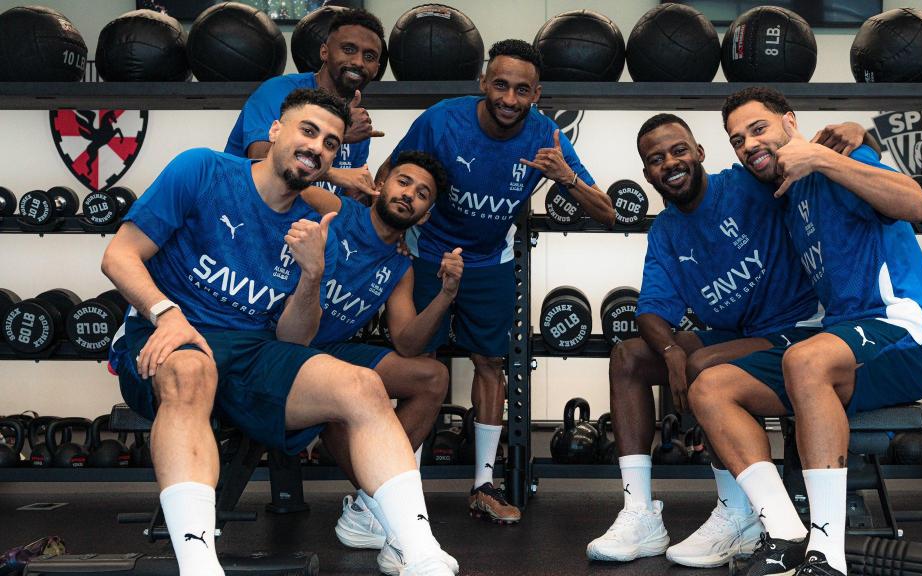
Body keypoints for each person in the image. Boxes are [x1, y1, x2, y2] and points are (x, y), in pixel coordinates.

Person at [103, 88, 456, 576]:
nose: (317, 148)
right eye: (308, 131)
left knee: (362, 385)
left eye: (330, 143)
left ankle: (420, 552)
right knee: (191, 371)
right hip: (169, 336)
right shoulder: (203, 170)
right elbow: (119, 255)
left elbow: (293, 340)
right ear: (275, 130)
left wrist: (312, 274)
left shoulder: (317, 224)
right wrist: (166, 313)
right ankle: (199, 566)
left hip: (254, 350)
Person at [586, 114, 876, 567]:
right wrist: (670, 352)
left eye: (679, 150)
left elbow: (803, 155)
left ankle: (740, 512)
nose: (670, 163)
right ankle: (640, 514)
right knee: (629, 357)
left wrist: (860, 132)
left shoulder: (745, 185)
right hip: (737, 336)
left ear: (699, 153)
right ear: (647, 174)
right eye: (657, 159)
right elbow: (650, 311)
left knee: (705, 364)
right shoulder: (666, 231)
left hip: (801, 329)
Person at [688, 86, 922, 576]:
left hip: (903, 332)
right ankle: (785, 533)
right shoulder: (785, 193)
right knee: (710, 387)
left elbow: (917, 203)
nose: (749, 144)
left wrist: (826, 155)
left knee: (805, 359)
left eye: (758, 128)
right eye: (738, 139)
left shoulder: (839, 159)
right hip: (841, 340)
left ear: (790, 121)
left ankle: (827, 556)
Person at [382, 38, 616, 524]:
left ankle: (483, 485)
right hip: (429, 250)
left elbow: (607, 212)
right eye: (501, 85)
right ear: (483, 82)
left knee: (490, 363)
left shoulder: (547, 137)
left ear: (537, 94)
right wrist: (393, 232)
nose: (510, 99)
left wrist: (566, 177)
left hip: (491, 259)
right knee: (419, 365)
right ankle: (403, 487)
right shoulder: (442, 120)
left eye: (522, 90)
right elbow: (390, 173)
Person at [301, 151, 463, 575]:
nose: (409, 195)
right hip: (285, 344)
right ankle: (395, 520)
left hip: (329, 348)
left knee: (432, 376)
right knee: (345, 394)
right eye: (403, 182)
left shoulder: (400, 266)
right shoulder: (338, 209)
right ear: (382, 184)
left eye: (422, 194)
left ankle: (369, 508)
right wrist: (335, 173)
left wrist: (446, 295)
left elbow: (407, 342)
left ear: (426, 214)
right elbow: (281, 180)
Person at [225, 8, 386, 201]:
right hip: (242, 208)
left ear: (376, 69)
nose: (359, 62)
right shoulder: (277, 92)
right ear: (325, 52)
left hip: (307, 217)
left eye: (369, 57)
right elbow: (261, 159)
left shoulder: (358, 123)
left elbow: (350, 191)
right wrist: (339, 136)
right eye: (348, 49)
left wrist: (369, 198)